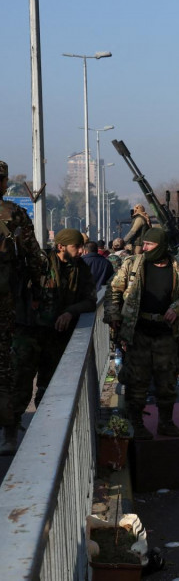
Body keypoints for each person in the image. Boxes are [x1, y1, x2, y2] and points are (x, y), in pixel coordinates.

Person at [105, 228, 179, 441]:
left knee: (167, 381)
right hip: (138, 332)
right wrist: (114, 316)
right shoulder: (132, 265)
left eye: (149, 245)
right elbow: (114, 290)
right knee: (137, 381)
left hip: (166, 334)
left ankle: (165, 423)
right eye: (144, 244)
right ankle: (136, 424)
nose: (144, 248)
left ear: (162, 246)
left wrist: (177, 307)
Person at [10, 228, 96, 453]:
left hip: (56, 338)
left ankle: (44, 431)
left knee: (49, 387)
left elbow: (90, 300)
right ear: (61, 247)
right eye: (76, 247)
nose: (80, 251)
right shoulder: (39, 265)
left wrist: (70, 311)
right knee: (19, 384)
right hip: (28, 333)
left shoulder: (81, 269)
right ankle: (10, 432)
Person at [0, 161, 46, 455]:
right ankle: (9, 431)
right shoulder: (13, 214)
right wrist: (37, 292)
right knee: (6, 368)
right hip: (7, 303)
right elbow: (33, 257)